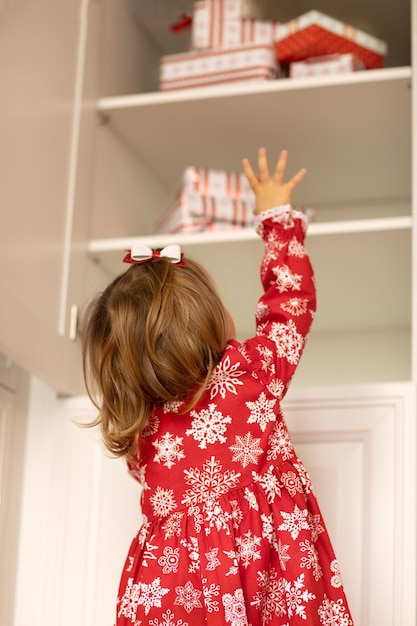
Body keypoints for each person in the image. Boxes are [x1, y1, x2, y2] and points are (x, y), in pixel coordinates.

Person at [82, 149, 354, 625]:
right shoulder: (249, 376)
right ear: (213, 321)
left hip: (173, 595)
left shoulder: (139, 427)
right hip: (273, 577)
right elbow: (291, 303)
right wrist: (276, 217)